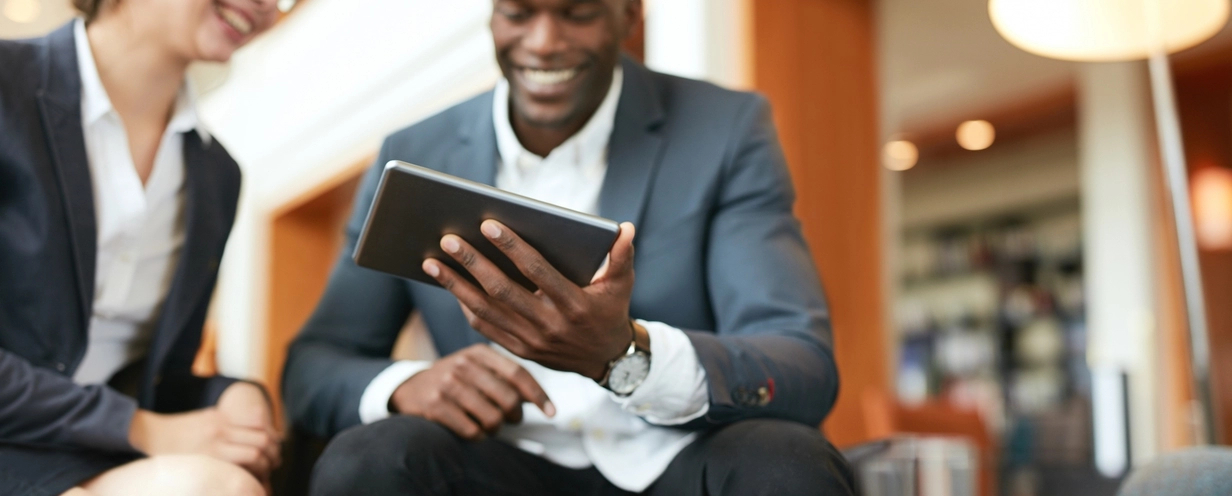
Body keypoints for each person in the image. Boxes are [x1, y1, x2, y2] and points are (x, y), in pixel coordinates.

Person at [283, 0, 855, 494]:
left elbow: (801, 363)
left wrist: (625, 356)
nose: (543, 43)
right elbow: (314, 365)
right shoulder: (416, 151)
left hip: (674, 457)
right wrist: (405, 384)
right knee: (367, 460)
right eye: (518, 12)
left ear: (629, 14)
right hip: (496, 461)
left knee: (786, 463)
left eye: (577, 12)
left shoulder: (725, 129)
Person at [0, 1, 282, 495]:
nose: (266, 5)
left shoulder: (217, 175)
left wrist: (231, 394)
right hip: (28, 438)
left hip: (82, 450)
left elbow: (157, 378)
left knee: (228, 489)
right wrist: (141, 429)